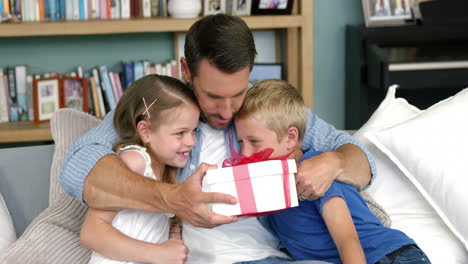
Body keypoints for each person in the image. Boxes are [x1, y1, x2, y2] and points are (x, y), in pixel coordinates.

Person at [60, 14, 376, 263]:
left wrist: (333, 162)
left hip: (269, 254)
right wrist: (172, 199)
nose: (227, 111)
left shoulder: (265, 108)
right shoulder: (162, 106)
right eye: (212, 97)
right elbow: (77, 166)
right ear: (186, 70)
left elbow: (363, 161)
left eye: (237, 94)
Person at [233, 79, 430, 264]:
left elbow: (348, 240)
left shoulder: (317, 174)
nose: (245, 152)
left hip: (389, 256)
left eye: (254, 142)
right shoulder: (269, 190)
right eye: (240, 142)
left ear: (290, 138)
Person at [81, 74, 196, 264]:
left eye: (194, 131)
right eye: (180, 133)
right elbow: (91, 232)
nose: (191, 141)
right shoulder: (134, 161)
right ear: (146, 132)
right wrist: (159, 254)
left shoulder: (168, 168)